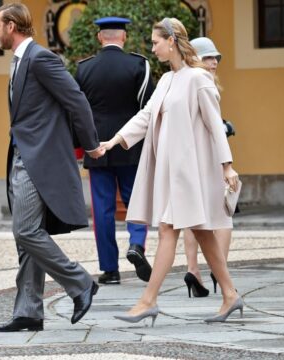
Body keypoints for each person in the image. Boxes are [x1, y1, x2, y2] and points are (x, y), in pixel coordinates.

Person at [102, 17, 242, 326]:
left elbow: (215, 127)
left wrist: (227, 166)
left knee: (168, 228)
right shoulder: (166, 80)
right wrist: (114, 141)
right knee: (203, 233)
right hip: (171, 170)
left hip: (191, 172)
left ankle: (147, 300)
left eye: (155, 42)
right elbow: (146, 115)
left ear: (172, 41)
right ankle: (230, 295)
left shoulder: (198, 78)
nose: (152, 48)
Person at [0, 3, 104, 333]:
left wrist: (91, 143)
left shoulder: (41, 58)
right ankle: (28, 310)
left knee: (25, 231)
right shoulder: (20, 61)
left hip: (38, 160)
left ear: (12, 26)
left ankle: (80, 282)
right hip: (23, 155)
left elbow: (76, 100)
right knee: (25, 235)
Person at [75, 17, 155, 285]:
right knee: (137, 200)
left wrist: (85, 144)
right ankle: (136, 244)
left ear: (100, 37)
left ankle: (110, 270)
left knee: (102, 210)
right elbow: (148, 109)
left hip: (97, 147)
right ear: (124, 37)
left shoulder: (84, 69)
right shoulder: (139, 65)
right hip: (131, 147)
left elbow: (78, 112)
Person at [183, 37, 237, 297]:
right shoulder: (204, 84)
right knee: (224, 214)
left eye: (215, 57)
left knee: (193, 215)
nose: (214, 61)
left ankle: (193, 269)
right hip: (211, 158)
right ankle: (220, 269)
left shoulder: (183, 81)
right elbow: (212, 126)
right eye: (207, 57)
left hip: (189, 158)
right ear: (194, 58)